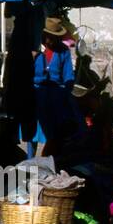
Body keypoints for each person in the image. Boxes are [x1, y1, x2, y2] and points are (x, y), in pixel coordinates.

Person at [33, 17, 76, 157]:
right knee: (32, 131)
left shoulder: (63, 51)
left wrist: (66, 90)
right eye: (47, 37)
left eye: (53, 38)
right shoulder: (36, 50)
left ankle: (50, 158)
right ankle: (30, 159)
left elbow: (68, 75)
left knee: (55, 131)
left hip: (56, 94)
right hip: (37, 93)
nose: (49, 41)